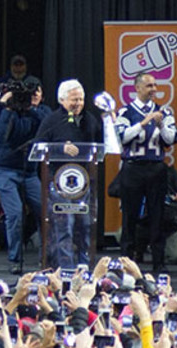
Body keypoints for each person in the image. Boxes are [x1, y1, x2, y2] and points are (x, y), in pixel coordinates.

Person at [31, 79, 105, 267]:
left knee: (85, 227)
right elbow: (38, 147)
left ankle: (84, 267)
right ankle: (66, 269)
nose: (78, 103)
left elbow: (100, 147)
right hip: (58, 183)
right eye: (74, 100)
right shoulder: (52, 120)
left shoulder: (90, 120)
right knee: (65, 227)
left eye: (81, 99)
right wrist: (60, 148)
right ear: (62, 100)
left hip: (85, 183)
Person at [111, 73, 177, 271]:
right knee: (129, 216)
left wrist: (159, 124)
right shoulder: (125, 112)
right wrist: (143, 122)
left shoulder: (163, 112)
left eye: (155, 85)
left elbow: (171, 138)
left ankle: (158, 262)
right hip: (133, 168)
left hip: (156, 168)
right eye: (149, 86)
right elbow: (121, 137)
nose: (154, 89)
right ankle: (127, 261)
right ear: (137, 88)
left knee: (157, 214)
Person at [0, 79, 48, 272]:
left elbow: (45, 127)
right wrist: (8, 108)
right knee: (15, 214)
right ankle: (15, 259)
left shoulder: (43, 112)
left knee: (44, 211)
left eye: (35, 93)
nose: (31, 97)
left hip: (29, 172)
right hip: (3, 168)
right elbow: (0, 136)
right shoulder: (10, 111)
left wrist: (30, 108)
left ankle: (46, 258)